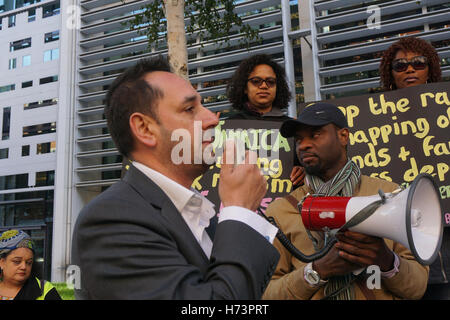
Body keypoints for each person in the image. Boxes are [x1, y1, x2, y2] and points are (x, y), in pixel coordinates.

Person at [71, 57, 280, 300]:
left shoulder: (203, 218)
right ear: (145, 129)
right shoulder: (110, 219)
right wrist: (240, 211)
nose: (213, 119)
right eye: (190, 109)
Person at [262, 102, 429, 300]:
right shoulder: (280, 211)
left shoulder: (390, 195)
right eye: (298, 139)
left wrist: (386, 261)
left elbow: (417, 287)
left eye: (315, 135)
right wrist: (316, 272)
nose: (304, 145)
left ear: (343, 136)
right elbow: (265, 294)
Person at [380, 36, 449, 300]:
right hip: (402, 244)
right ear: (390, 74)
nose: (410, 69)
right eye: (400, 66)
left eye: (418, 63)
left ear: (430, 69)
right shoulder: (372, 117)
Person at [226, 54, 304, 186]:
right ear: (245, 88)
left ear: (277, 88)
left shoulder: (291, 126)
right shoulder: (227, 127)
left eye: (270, 82)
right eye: (256, 81)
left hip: (284, 202)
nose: (264, 86)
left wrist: (303, 171)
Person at [0, 229, 61, 300]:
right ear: (2, 262)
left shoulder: (45, 290)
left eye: (28, 263)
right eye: (17, 261)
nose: (23, 267)